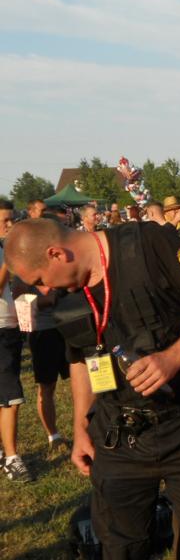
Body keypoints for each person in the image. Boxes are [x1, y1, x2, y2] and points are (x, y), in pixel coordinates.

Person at [5, 217, 180, 558]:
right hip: (117, 434)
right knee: (121, 547)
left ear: (57, 253)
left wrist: (173, 358)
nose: (44, 291)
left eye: (40, 280)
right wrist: (80, 427)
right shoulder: (70, 293)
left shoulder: (148, 244)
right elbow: (83, 358)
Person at [12, 281, 71, 456]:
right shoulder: (23, 275)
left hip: (70, 325)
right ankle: (54, 436)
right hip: (43, 331)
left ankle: (89, 428)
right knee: (47, 386)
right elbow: (19, 302)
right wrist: (49, 299)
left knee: (82, 382)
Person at [0, 203, 30, 482]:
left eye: (11, 220)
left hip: (9, 326)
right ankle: (12, 457)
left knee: (5, 394)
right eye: (5, 220)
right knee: (12, 395)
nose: (10, 225)